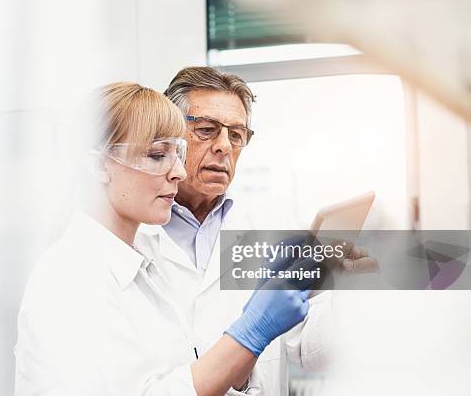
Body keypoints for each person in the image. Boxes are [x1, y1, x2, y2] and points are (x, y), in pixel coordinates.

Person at [14, 82, 312, 395]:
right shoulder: (70, 277)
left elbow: (182, 376)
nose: (179, 173)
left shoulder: (144, 268)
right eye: (157, 155)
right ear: (100, 165)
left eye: (177, 154)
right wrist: (251, 332)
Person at [135, 67, 374, 395]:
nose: (224, 147)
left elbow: (311, 353)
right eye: (206, 130)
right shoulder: (135, 235)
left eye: (236, 135)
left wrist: (346, 294)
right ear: (169, 136)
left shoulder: (269, 225)